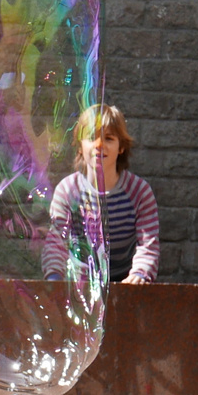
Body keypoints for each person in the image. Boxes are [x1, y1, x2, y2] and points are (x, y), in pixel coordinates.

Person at [41, 104, 161, 283]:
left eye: (109, 138)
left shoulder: (139, 192)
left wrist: (139, 275)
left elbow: (147, 245)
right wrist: (54, 279)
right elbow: (56, 243)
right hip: (78, 283)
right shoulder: (67, 190)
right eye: (91, 137)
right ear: (80, 146)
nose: (99, 145)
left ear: (121, 147)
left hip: (125, 281)